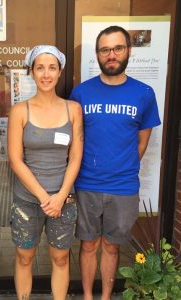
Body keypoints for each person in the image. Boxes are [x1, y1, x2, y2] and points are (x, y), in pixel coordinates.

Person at [69, 26, 161, 300]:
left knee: (111, 247)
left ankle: (106, 297)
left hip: (123, 188)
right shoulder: (81, 93)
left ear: (128, 51)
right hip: (86, 185)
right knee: (88, 246)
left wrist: (121, 168)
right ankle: (88, 296)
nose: (111, 55)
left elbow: (142, 143)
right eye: (105, 49)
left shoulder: (144, 93)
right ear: (97, 54)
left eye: (117, 48)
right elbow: (75, 141)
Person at [7, 45, 83, 300]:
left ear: (60, 71)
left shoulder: (73, 109)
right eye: (40, 67)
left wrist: (60, 196)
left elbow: (75, 156)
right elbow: (16, 160)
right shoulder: (20, 110)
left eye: (52, 67)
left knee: (60, 258)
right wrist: (44, 197)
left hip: (64, 199)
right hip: (28, 201)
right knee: (24, 256)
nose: (46, 74)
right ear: (32, 71)